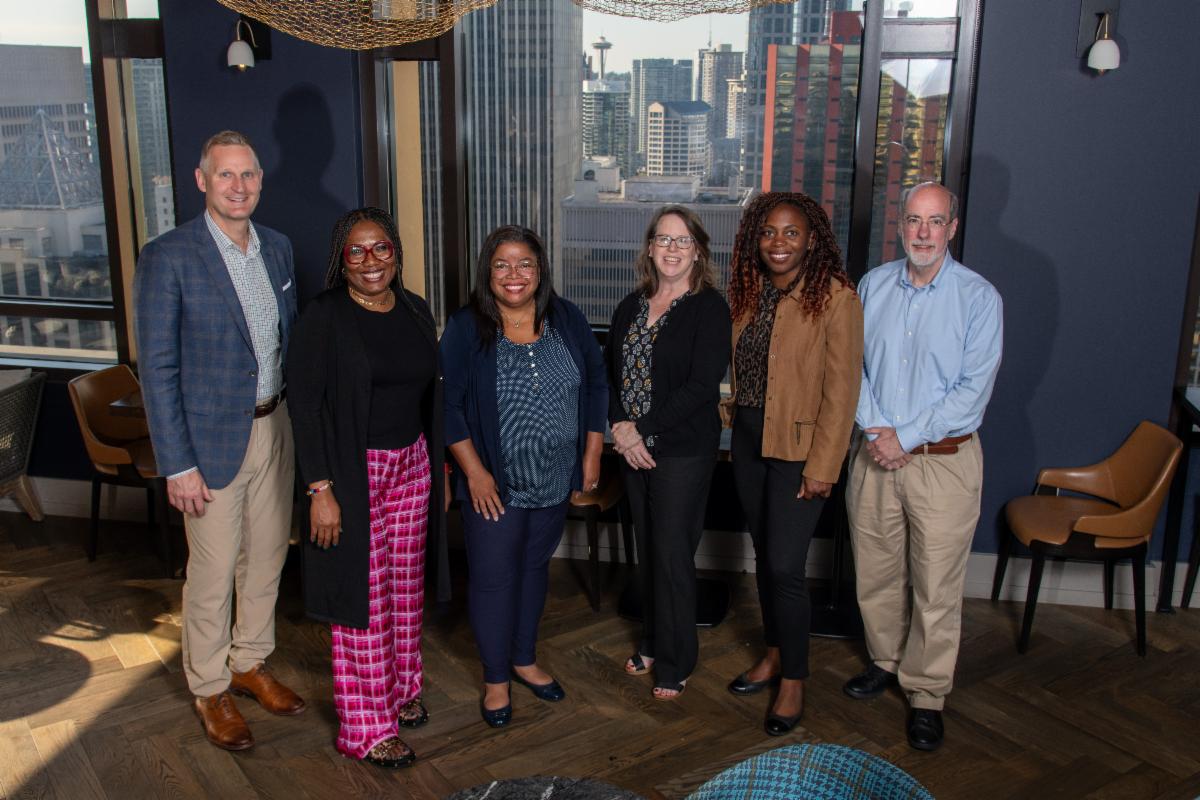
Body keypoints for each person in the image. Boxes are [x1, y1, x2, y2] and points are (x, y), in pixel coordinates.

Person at [134, 130, 305, 751]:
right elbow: (157, 367)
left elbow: (288, 342)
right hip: (208, 441)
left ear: (261, 180)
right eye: (225, 176)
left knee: (266, 558)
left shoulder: (278, 249)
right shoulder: (169, 255)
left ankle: (248, 661)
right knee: (211, 572)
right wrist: (177, 463)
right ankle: (209, 688)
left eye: (249, 175)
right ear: (202, 181)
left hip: (275, 423)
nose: (239, 187)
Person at [843, 182, 1002, 752]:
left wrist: (903, 437)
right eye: (914, 221)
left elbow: (970, 394)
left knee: (936, 587)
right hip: (874, 452)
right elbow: (850, 366)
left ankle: (928, 694)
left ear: (952, 228)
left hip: (944, 463)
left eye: (935, 222)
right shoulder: (873, 285)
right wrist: (877, 432)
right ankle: (885, 662)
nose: (923, 233)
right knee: (877, 571)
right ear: (900, 225)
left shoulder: (979, 298)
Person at [287, 207, 448, 769]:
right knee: (362, 596)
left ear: (395, 251)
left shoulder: (413, 308)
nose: (370, 260)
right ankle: (365, 727)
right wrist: (320, 489)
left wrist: (438, 469)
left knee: (404, 590)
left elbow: (430, 395)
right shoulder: (323, 317)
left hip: (413, 464)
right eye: (357, 251)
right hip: (352, 474)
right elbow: (304, 406)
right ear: (341, 259)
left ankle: (402, 695)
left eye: (380, 248)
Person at [440, 225, 607, 728]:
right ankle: (495, 680)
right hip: (495, 483)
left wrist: (593, 453)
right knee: (494, 580)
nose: (514, 276)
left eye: (525, 264)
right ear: (487, 273)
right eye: (502, 265)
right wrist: (476, 474)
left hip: (556, 476)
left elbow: (597, 382)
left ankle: (524, 659)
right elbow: (448, 407)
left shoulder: (565, 316)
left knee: (535, 570)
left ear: (540, 270)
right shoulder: (467, 327)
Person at [723, 192, 863, 736]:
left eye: (791, 233)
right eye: (768, 232)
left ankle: (794, 680)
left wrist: (823, 466)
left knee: (785, 565)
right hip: (749, 441)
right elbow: (736, 368)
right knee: (765, 556)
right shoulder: (748, 293)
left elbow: (842, 393)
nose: (778, 243)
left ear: (812, 239)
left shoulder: (836, 300)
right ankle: (774, 653)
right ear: (754, 239)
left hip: (801, 452)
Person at [606, 205, 730, 700]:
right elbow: (610, 373)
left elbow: (702, 387)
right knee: (649, 550)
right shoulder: (631, 305)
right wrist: (620, 427)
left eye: (682, 241)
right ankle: (653, 641)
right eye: (664, 239)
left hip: (680, 452)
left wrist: (639, 431)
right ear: (650, 248)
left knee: (673, 554)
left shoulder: (709, 308)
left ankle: (677, 660)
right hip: (632, 451)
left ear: (697, 250)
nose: (672, 249)